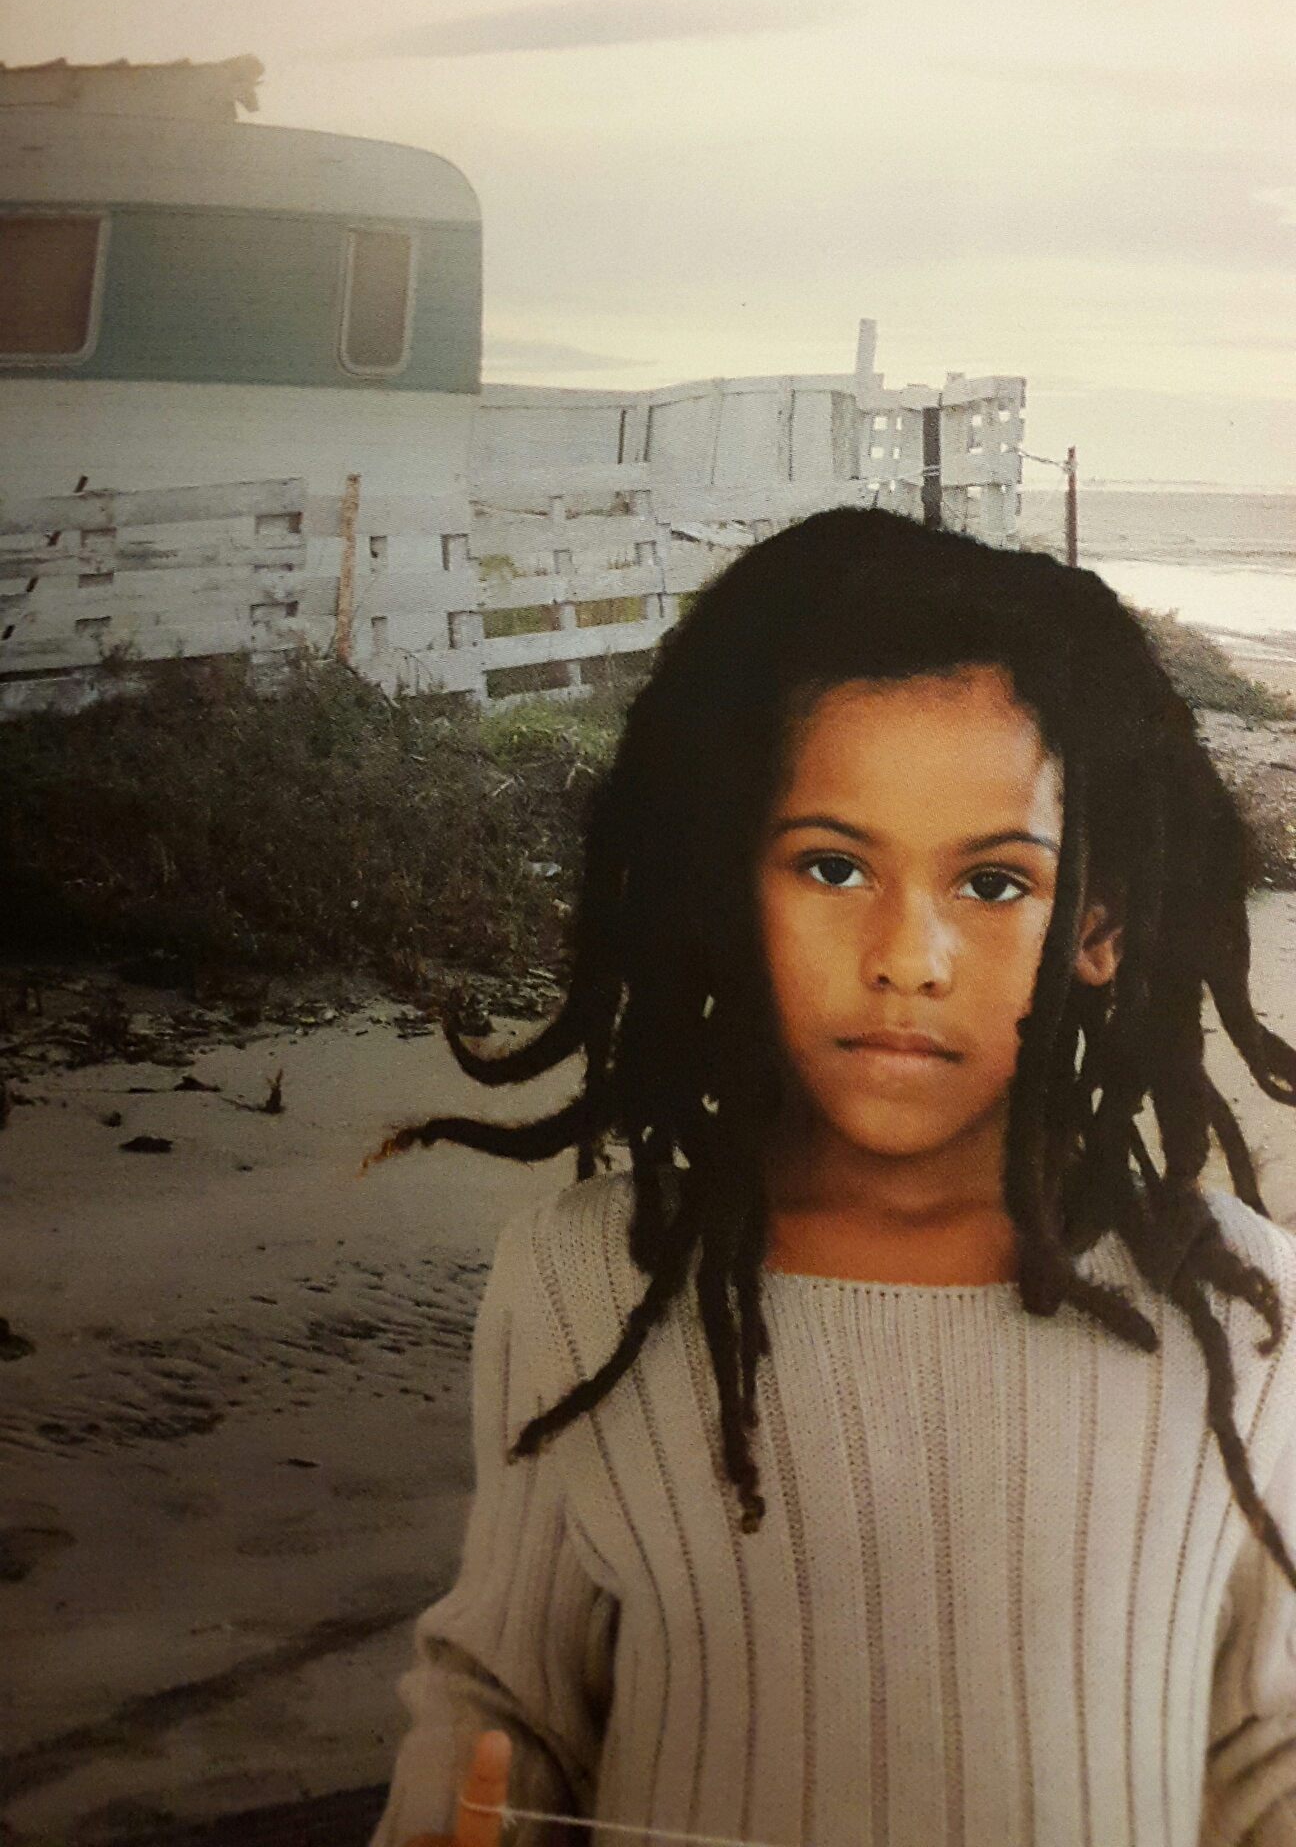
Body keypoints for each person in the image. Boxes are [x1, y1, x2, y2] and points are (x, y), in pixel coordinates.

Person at [370, 507, 1296, 1847]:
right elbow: (504, 1705)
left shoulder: (1242, 1314)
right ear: (731, 892)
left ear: (1096, 924)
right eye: (832, 865)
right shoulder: (583, 1283)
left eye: (992, 884)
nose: (906, 955)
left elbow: (1267, 1752)